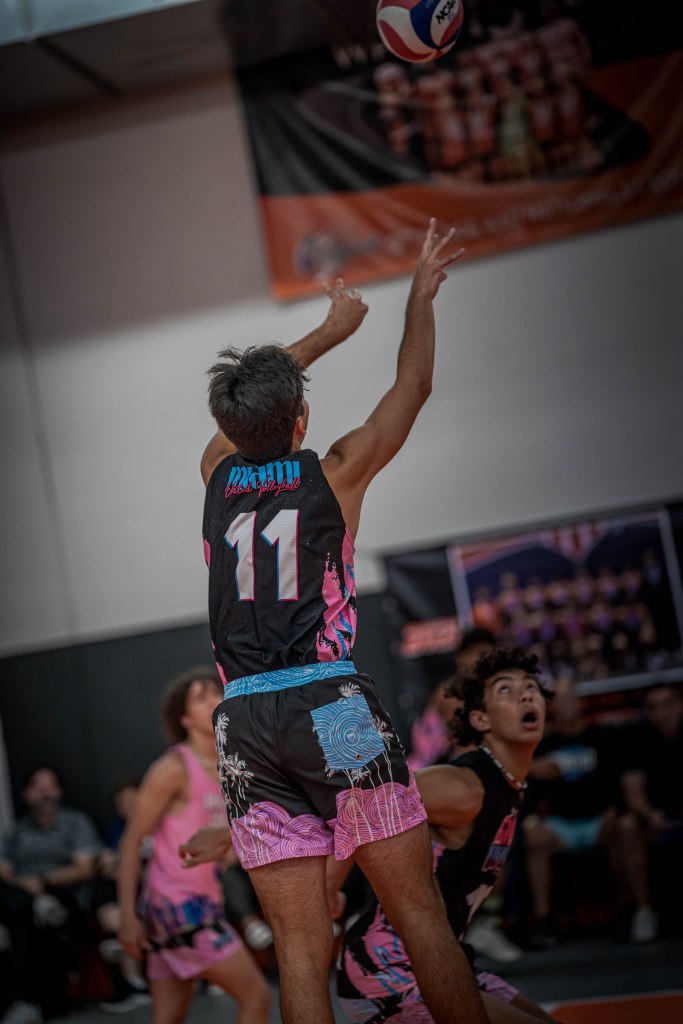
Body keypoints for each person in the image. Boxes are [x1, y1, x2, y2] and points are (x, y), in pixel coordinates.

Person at [201, 220, 487, 1024]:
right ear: (299, 418)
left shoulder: (214, 474)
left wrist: (323, 334)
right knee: (418, 916)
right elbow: (413, 387)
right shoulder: (335, 472)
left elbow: (245, 410)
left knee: (299, 949)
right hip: (330, 705)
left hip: (243, 721)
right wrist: (418, 297)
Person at [330, 646, 556, 1023]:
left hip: (439, 958)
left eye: (531, 687)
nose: (526, 695)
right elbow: (362, 805)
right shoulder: (464, 786)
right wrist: (329, 887)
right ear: (480, 719)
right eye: (506, 689)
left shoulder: (508, 783)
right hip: (385, 969)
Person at [117, 666, 271, 1024]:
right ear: (184, 719)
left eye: (216, 693)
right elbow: (130, 843)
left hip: (197, 901)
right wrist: (126, 916)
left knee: (169, 1017)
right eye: (201, 698)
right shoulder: (173, 768)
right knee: (258, 997)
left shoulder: (229, 766)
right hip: (179, 907)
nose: (214, 700)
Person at [523, 675, 621, 947]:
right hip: (561, 825)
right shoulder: (542, 745)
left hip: (600, 820)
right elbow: (527, 790)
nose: (565, 703)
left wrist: (617, 809)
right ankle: (544, 922)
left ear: (580, 701)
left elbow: (620, 778)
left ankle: (632, 910)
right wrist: (532, 819)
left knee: (626, 827)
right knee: (534, 837)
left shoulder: (602, 737)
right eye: (559, 699)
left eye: (569, 697)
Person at [0, 766, 101, 1024]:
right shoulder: (18, 831)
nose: (44, 792)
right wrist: (27, 887)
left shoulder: (74, 822)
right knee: (18, 906)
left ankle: (28, 1003)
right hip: (20, 894)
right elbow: (4, 870)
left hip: (64, 892)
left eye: (50, 786)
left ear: (59, 791)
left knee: (23, 914)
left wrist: (42, 882)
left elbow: (85, 869)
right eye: (37, 786)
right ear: (26, 793)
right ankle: (38, 905)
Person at [613, 683, 683, 942]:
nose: (662, 713)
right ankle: (644, 910)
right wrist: (649, 814)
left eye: (669, 704)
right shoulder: (638, 738)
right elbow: (633, 792)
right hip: (655, 820)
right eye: (654, 707)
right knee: (626, 826)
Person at [91, 777, 151, 1013]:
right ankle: (134, 982)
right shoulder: (117, 829)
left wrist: (122, 865)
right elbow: (107, 865)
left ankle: (117, 938)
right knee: (105, 885)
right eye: (121, 804)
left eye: (131, 801)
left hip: (156, 887)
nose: (127, 808)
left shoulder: (157, 824)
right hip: (125, 891)